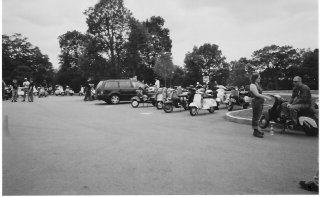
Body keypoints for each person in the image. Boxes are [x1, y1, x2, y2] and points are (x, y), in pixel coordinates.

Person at [249, 73, 271, 138]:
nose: (260, 79)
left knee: (258, 116)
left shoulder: (257, 84)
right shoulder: (252, 85)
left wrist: (263, 98)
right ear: (255, 78)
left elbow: (260, 94)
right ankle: (255, 131)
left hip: (260, 102)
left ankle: (257, 129)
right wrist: (266, 97)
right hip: (256, 102)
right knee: (256, 117)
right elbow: (257, 94)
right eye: (259, 78)